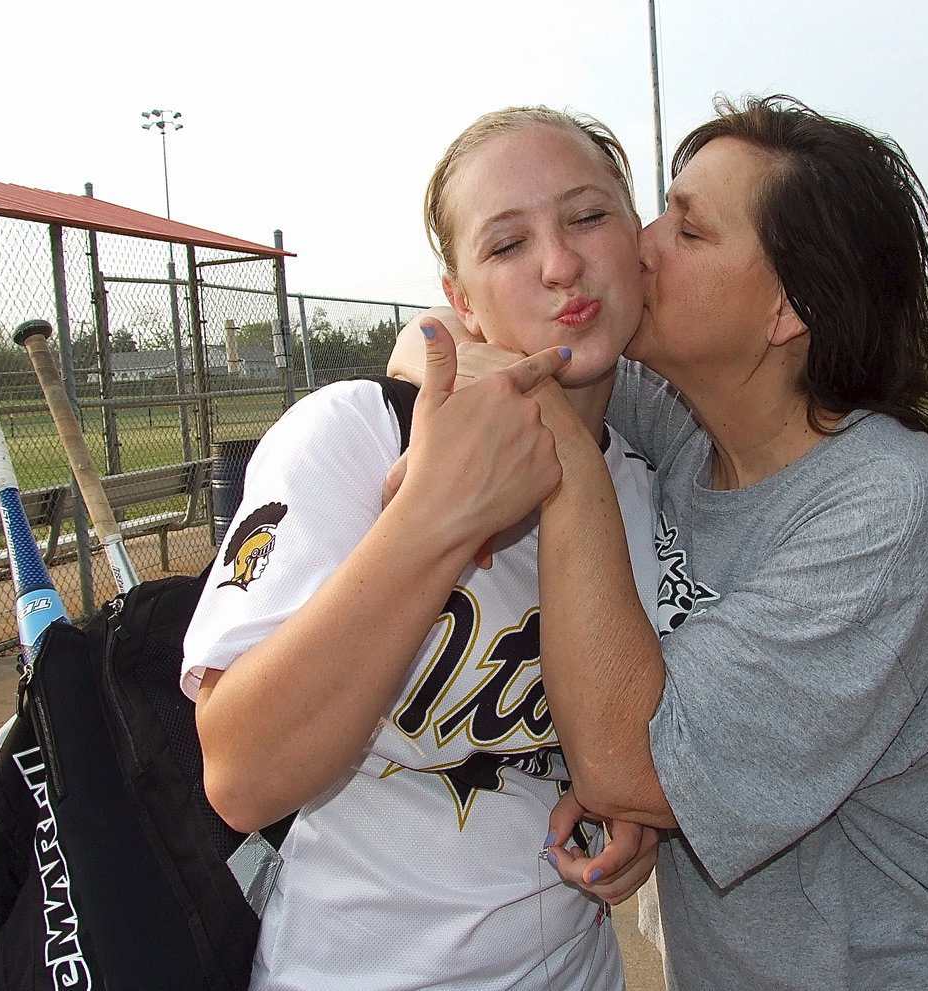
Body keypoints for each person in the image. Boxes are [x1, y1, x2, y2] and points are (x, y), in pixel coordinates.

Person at [403, 95, 928, 990]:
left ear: (788, 307)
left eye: (689, 229)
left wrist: (568, 458)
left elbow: (629, 763)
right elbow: (438, 337)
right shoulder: (684, 423)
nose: (638, 243)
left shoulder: (882, 509)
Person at [181, 105, 662, 991]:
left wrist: (637, 811)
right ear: (461, 299)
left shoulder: (655, 487)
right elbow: (242, 775)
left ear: (640, 240)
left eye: (589, 216)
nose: (561, 265)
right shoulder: (357, 434)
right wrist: (432, 516)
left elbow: (643, 750)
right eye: (507, 244)